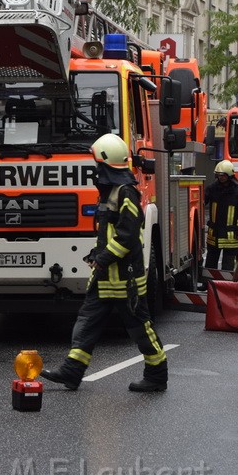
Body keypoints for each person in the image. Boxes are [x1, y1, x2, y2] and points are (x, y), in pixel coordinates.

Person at [40, 133, 168, 392]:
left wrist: (104, 258)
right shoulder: (110, 191)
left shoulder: (127, 194)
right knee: (86, 322)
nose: (94, 170)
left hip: (125, 278)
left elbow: (128, 236)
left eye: (97, 164)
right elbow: (109, 234)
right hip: (104, 278)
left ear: (105, 165)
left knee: (139, 329)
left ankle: (157, 375)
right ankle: (72, 372)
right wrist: (96, 255)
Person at [204, 160, 238, 272]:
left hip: (231, 235)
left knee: (228, 264)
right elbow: (203, 201)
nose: (220, 178)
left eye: (223, 175)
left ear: (229, 175)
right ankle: (208, 284)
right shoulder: (212, 188)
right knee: (210, 261)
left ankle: (224, 286)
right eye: (218, 175)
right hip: (215, 234)